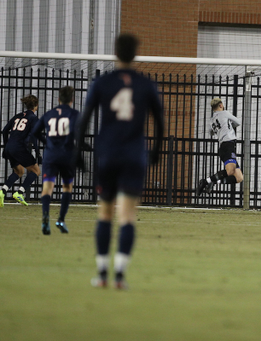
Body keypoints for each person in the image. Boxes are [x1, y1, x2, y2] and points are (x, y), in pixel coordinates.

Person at [76, 33, 164, 289]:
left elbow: (85, 118)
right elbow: (159, 122)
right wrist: (156, 151)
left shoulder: (102, 82)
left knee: (104, 214)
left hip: (109, 156)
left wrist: (78, 151)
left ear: (115, 52)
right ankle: (121, 274)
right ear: (135, 54)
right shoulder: (145, 84)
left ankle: (102, 272)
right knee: (127, 216)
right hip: (134, 157)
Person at [31, 86, 79, 235]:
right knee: (67, 187)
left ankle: (45, 217)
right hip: (66, 155)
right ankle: (60, 220)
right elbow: (78, 132)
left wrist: (47, 143)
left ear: (58, 99)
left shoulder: (49, 114)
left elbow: (34, 132)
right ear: (72, 99)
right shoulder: (74, 114)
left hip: (50, 156)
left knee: (47, 188)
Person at [195, 98, 243, 196]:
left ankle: (214, 182)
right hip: (228, 144)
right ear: (221, 105)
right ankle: (206, 181)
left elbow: (211, 132)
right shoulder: (224, 113)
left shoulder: (212, 120)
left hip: (222, 146)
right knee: (230, 171)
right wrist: (229, 126)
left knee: (239, 178)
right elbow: (238, 122)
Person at [0, 95, 41, 207]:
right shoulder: (33, 118)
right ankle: (20, 192)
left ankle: (2, 191)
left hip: (9, 147)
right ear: (36, 106)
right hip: (19, 147)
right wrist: (38, 153)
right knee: (36, 171)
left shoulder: (17, 116)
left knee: (19, 171)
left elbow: (4, 131)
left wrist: (6, 146)